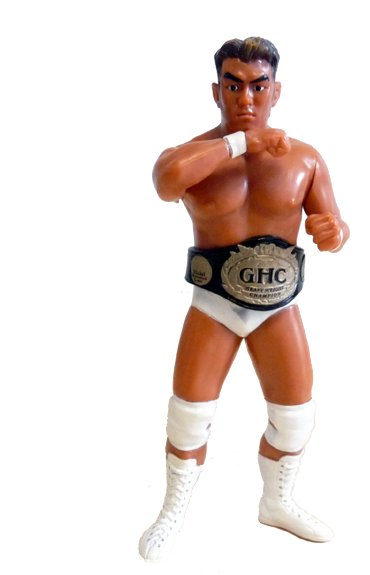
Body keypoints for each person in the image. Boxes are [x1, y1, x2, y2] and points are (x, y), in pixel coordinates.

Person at [139, 37, 350, 563]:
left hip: (278, 306)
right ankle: (172, 511)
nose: (247, 98)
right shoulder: (193, 157)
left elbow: (334, 223)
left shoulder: (306, 158)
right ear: (216, 91)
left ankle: (277, 502)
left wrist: (334, 232)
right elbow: (166, 183)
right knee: (188, 416)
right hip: (213, 303)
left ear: (276, 91)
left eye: (258, 86)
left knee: (296, 416)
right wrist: (239, 144)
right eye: (233, 86)